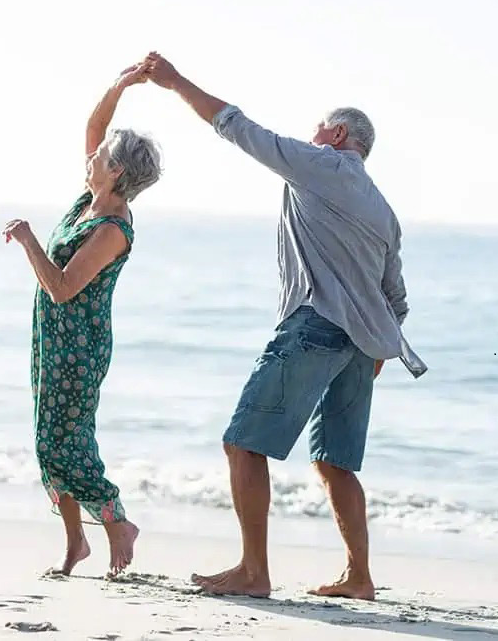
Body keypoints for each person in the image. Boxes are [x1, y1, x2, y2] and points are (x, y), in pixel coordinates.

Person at [142, 51, 424, 600]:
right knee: (334, 461)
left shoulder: (322, 165)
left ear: (338, 134)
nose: (310, 134)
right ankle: (359, 577)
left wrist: (174, 82)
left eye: (318, 127)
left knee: (242, 445)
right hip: (361, 346)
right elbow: (397, 298)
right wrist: (375, 354)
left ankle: (254, 571)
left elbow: (239, 128)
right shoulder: (383, 209)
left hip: (315, 326)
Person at [2, 63, 162, 577]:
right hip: (50, 339)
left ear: (116, 171)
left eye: (101, 156)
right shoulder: (89, 200)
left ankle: (116, 521)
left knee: (61, 442)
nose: (91, 155)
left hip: (79, 345)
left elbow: (64, 287)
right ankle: (76, 544)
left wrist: (28, 240)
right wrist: (120, 86)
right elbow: (95, 131)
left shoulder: (114, 226)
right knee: (48, 440)